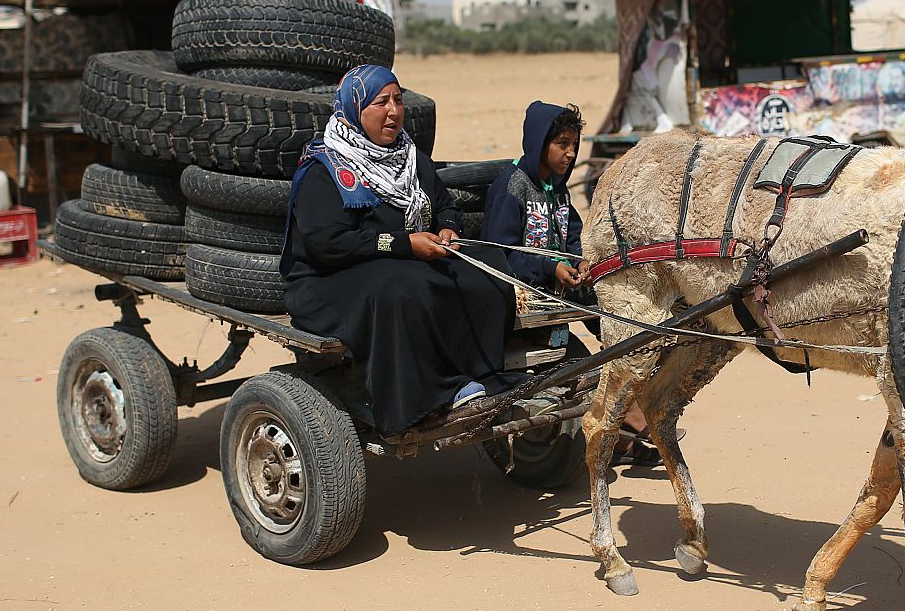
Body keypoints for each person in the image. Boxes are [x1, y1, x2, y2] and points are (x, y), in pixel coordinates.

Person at [280, 64, 516, 436]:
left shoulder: (410, 158)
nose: (393, 111)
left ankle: (483, 374)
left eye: (398, 100)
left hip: (402, 262)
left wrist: (448, 228)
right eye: (380, 102)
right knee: (402, 289)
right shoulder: (326, 168)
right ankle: (427, 397)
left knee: (486, 269)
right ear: (354, 110)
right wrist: (404, 244)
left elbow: (445, 204)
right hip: (329, 278)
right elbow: (327, 243)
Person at [483, 101, 673, 467]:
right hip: (524, 292)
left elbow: (572, 237)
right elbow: (499, 254)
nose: (571, 154)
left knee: (621, 317)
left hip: (558, 284)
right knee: (604, 335)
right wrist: (551, 268)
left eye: (574, 145)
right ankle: (632, 417)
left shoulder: (559, 189)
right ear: (540, 143)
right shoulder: (512, 188)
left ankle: (631, 407)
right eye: (562, 144)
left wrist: (580, 260)